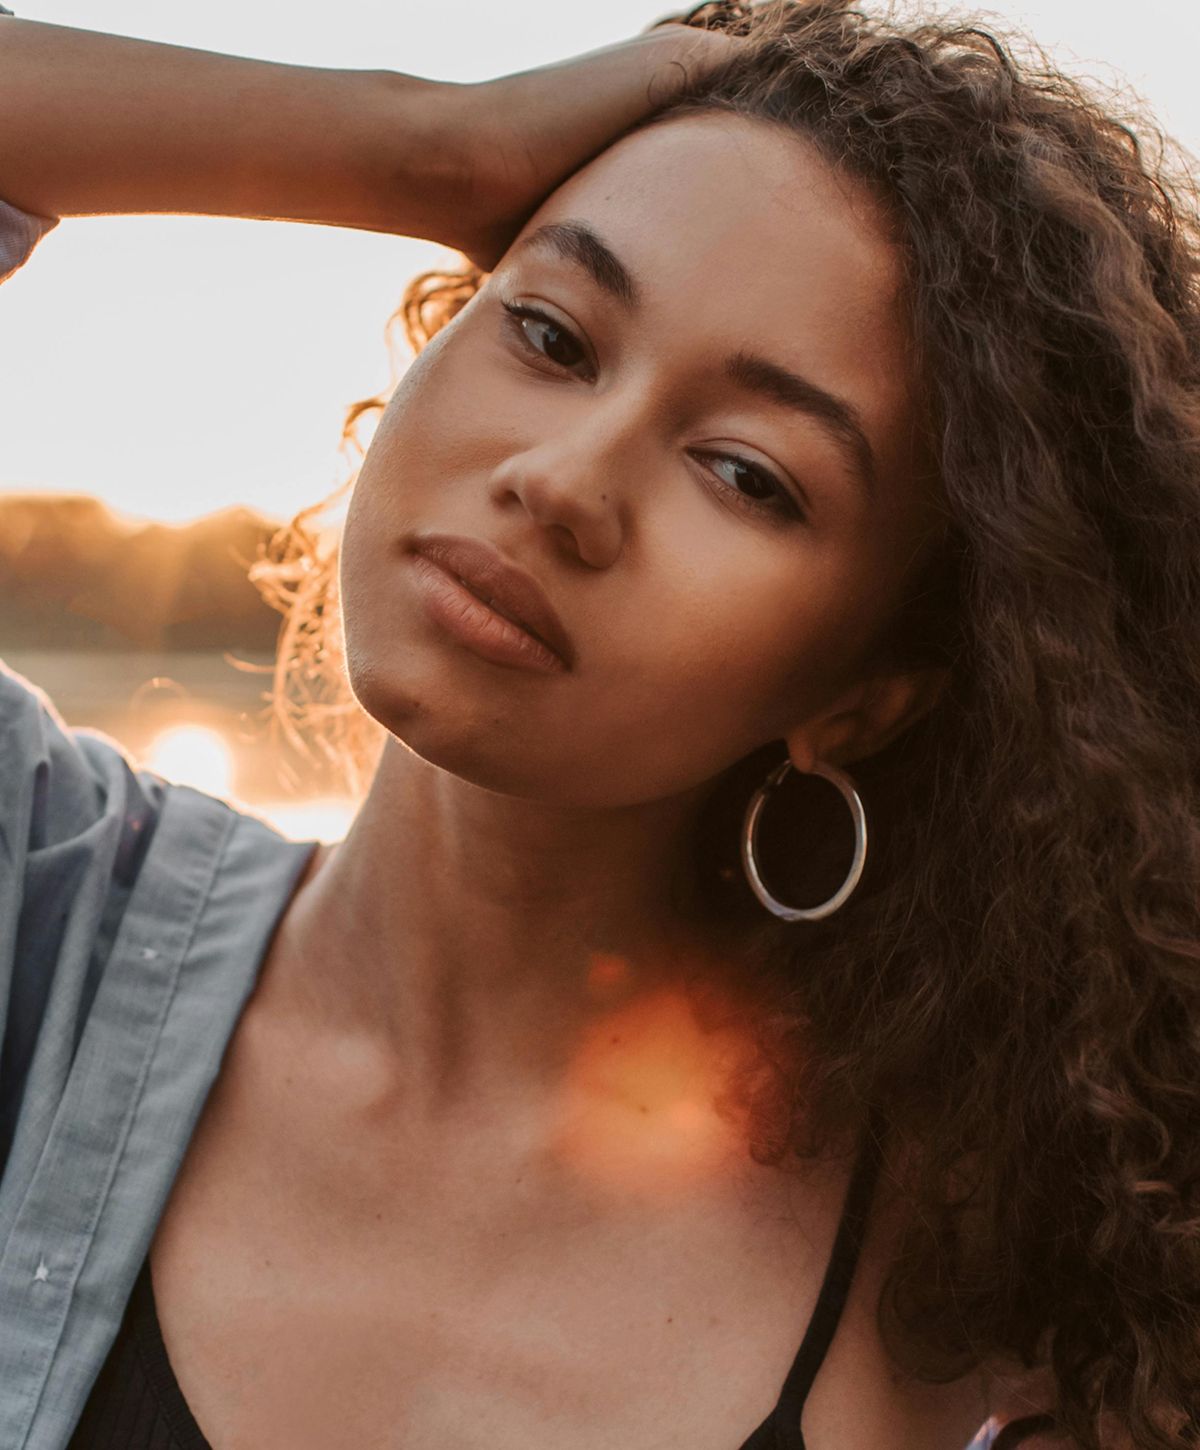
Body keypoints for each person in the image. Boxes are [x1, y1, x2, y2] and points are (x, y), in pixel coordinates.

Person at [0, 2, 1196, 1447]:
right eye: (551, 332)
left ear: (862, 697)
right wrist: (429, 141)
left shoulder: (998, 1318)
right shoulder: (39, 906)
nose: (565, 480)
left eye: (748, 474)